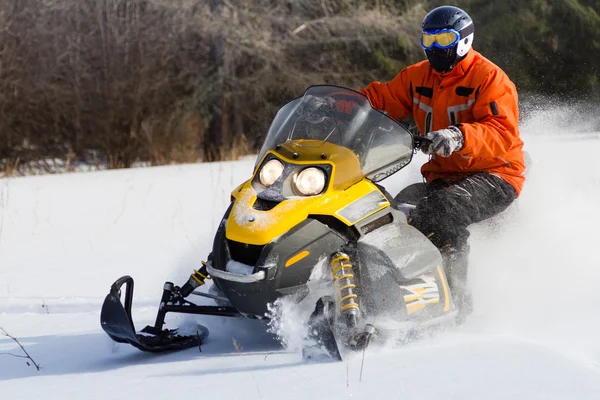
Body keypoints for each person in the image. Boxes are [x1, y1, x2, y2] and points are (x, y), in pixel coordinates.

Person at [352, 5, 526, 321]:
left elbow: (502, 131)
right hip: (443, 175)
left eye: (444, 38)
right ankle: (394, 293)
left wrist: (458, 136)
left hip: (495, 173)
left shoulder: (488, 78)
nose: (435, 47)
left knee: (441, 212)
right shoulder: (418, 77)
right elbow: (382, 99)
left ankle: (457, 301)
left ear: (463, 41)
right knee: (393, 213)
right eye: (428, 39)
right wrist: (347, 106)